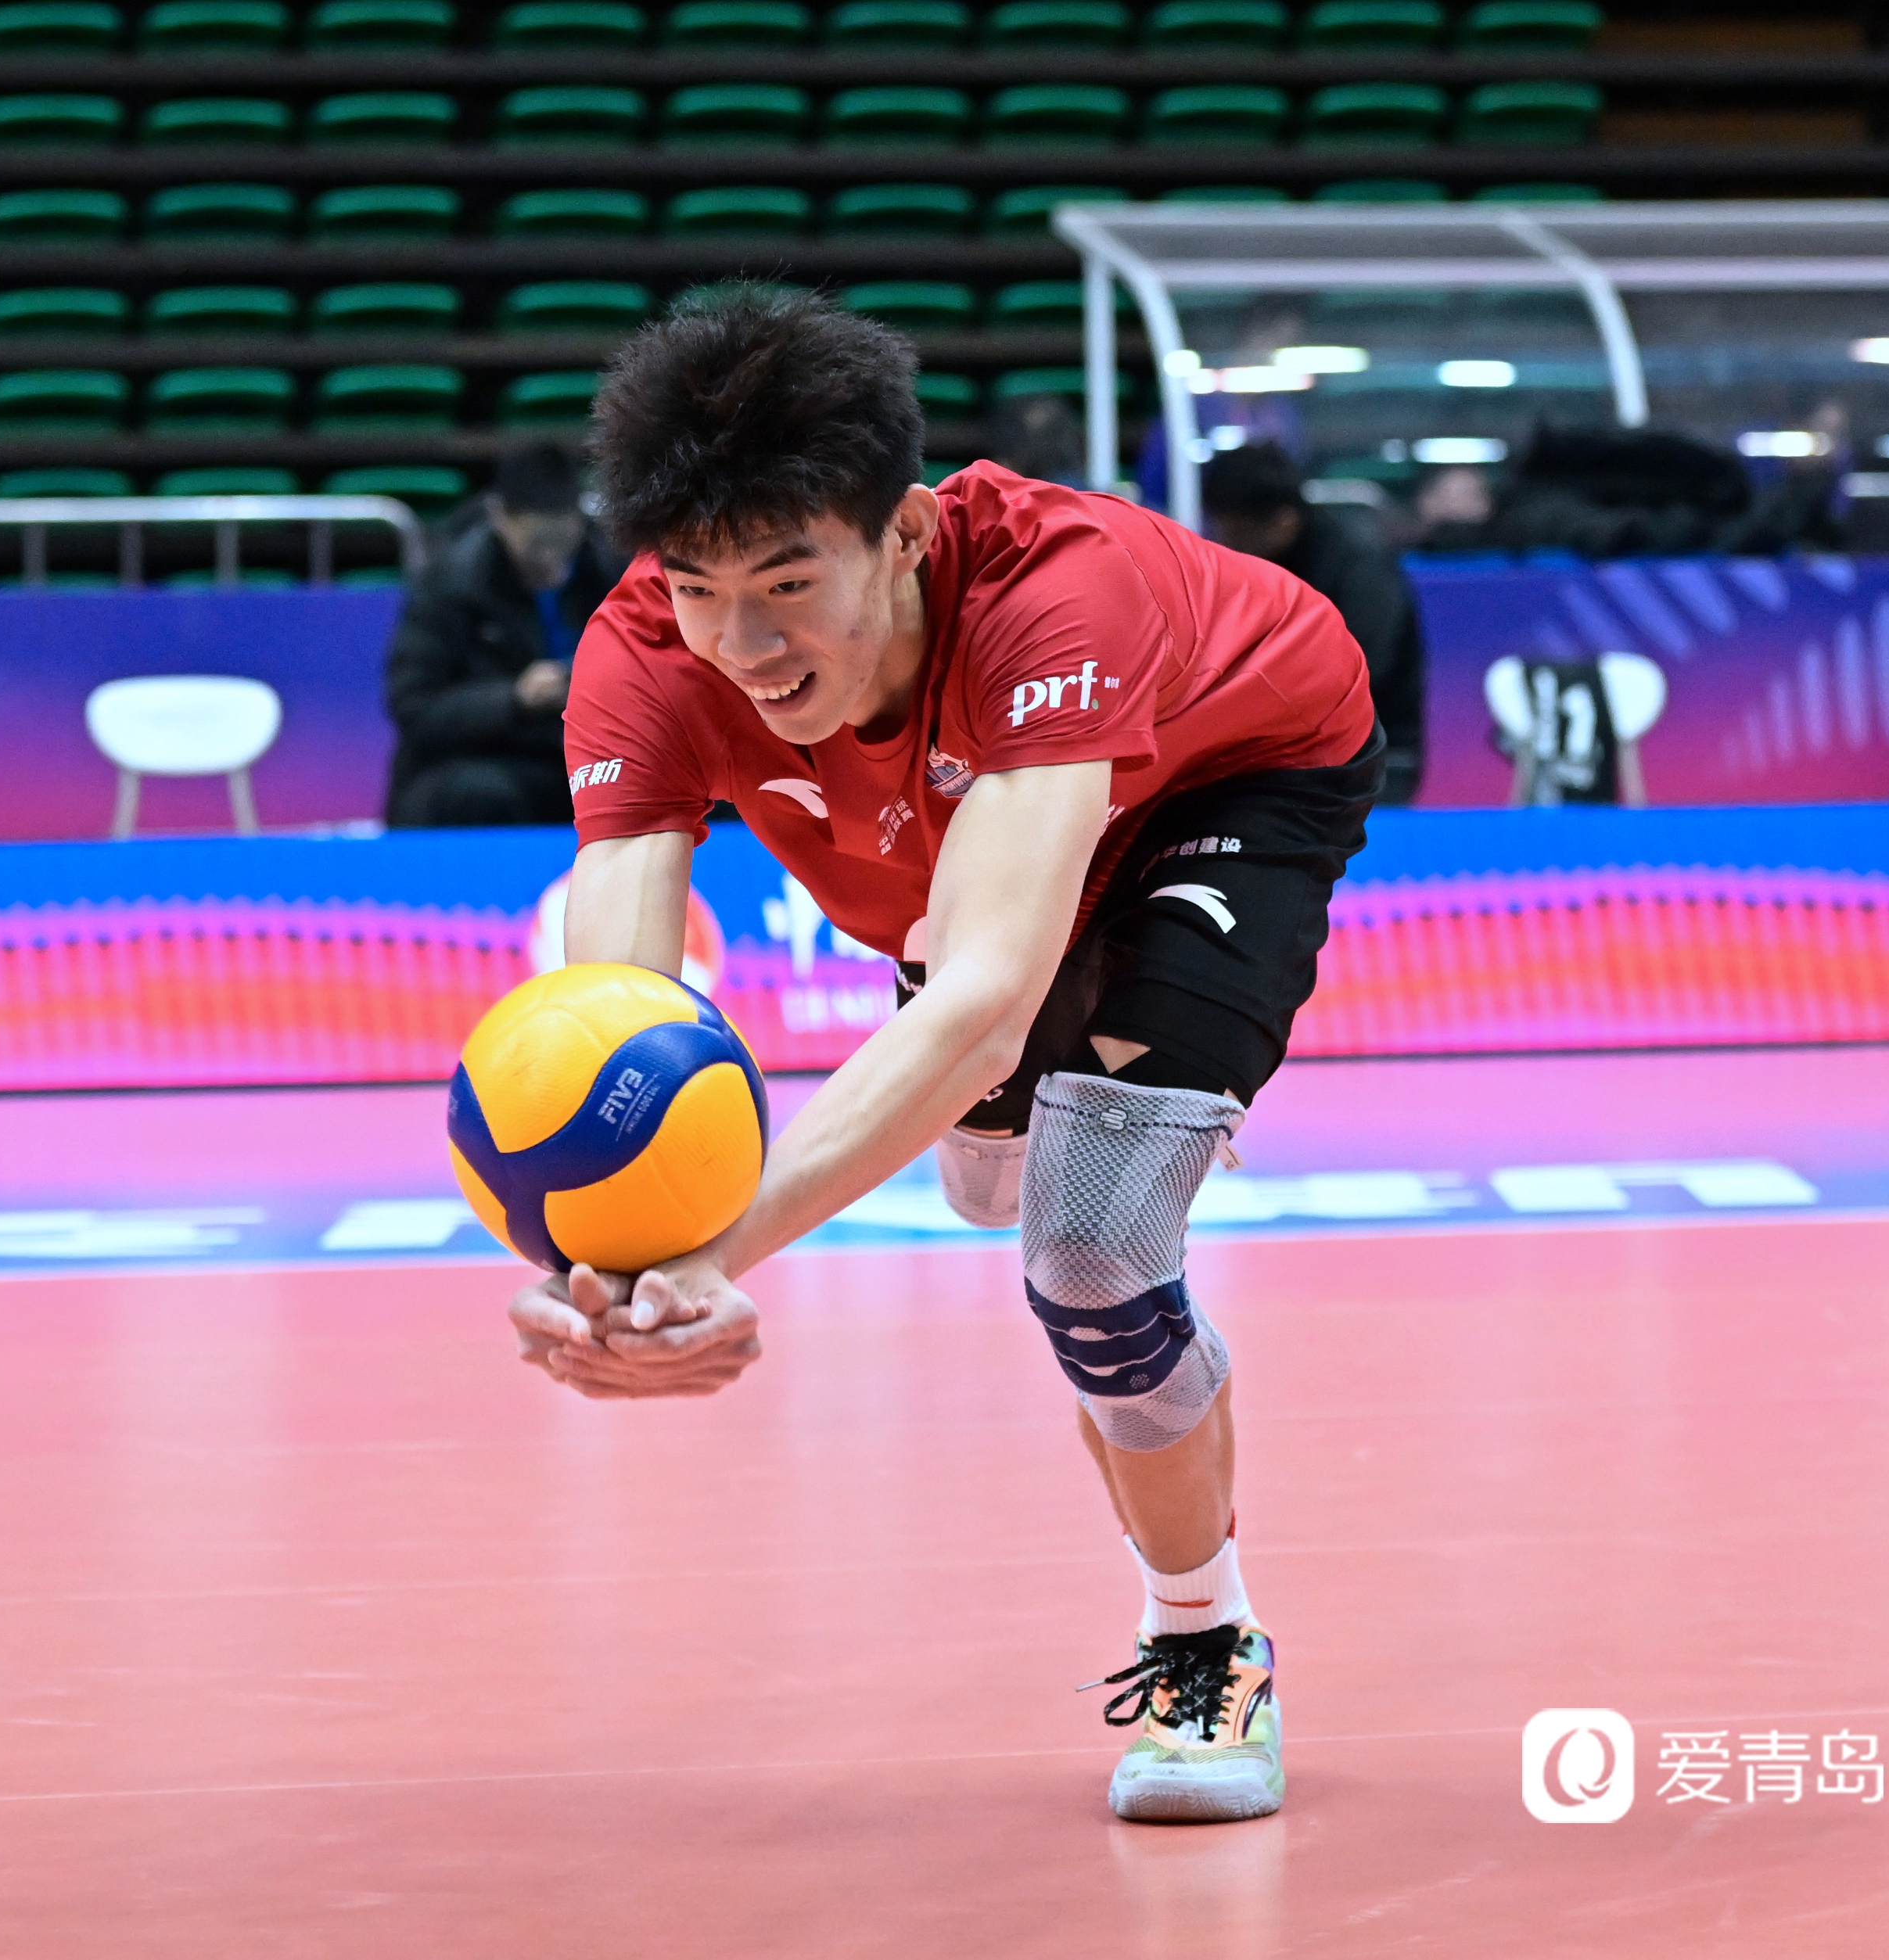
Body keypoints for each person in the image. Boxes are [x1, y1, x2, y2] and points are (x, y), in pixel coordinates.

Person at [506, 291, 1383, 1824]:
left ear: (903, 532)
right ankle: (1015, 1038)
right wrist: (613, 1271)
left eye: (791, 583)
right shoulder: (643, 654)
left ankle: (1203, 1642)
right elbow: (614, 1034)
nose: (745, 644)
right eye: (702, 590)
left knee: (1092, 1246)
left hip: (1228, 769)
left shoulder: (1059, 588)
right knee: (988, 1176)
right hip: (970, 840)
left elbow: (983, 995)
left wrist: (714, 1252)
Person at [382, 440, 619, 827]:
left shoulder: (612, 571)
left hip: (583, 757)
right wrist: (514, 698)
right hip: (485, 757)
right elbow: (414, 707)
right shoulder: (449, 584)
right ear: (500, 517)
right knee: (480, 797)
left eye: (562, 542)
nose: (551, 558)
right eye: (536, 543)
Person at [1199, 441, 1428, 806]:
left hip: (1373, 758)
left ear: (1284, 521)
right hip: (1287, 756)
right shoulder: (1255, 567)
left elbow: (1363, 672)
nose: (1226, 544)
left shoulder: (1358, 567)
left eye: (1236, 533)